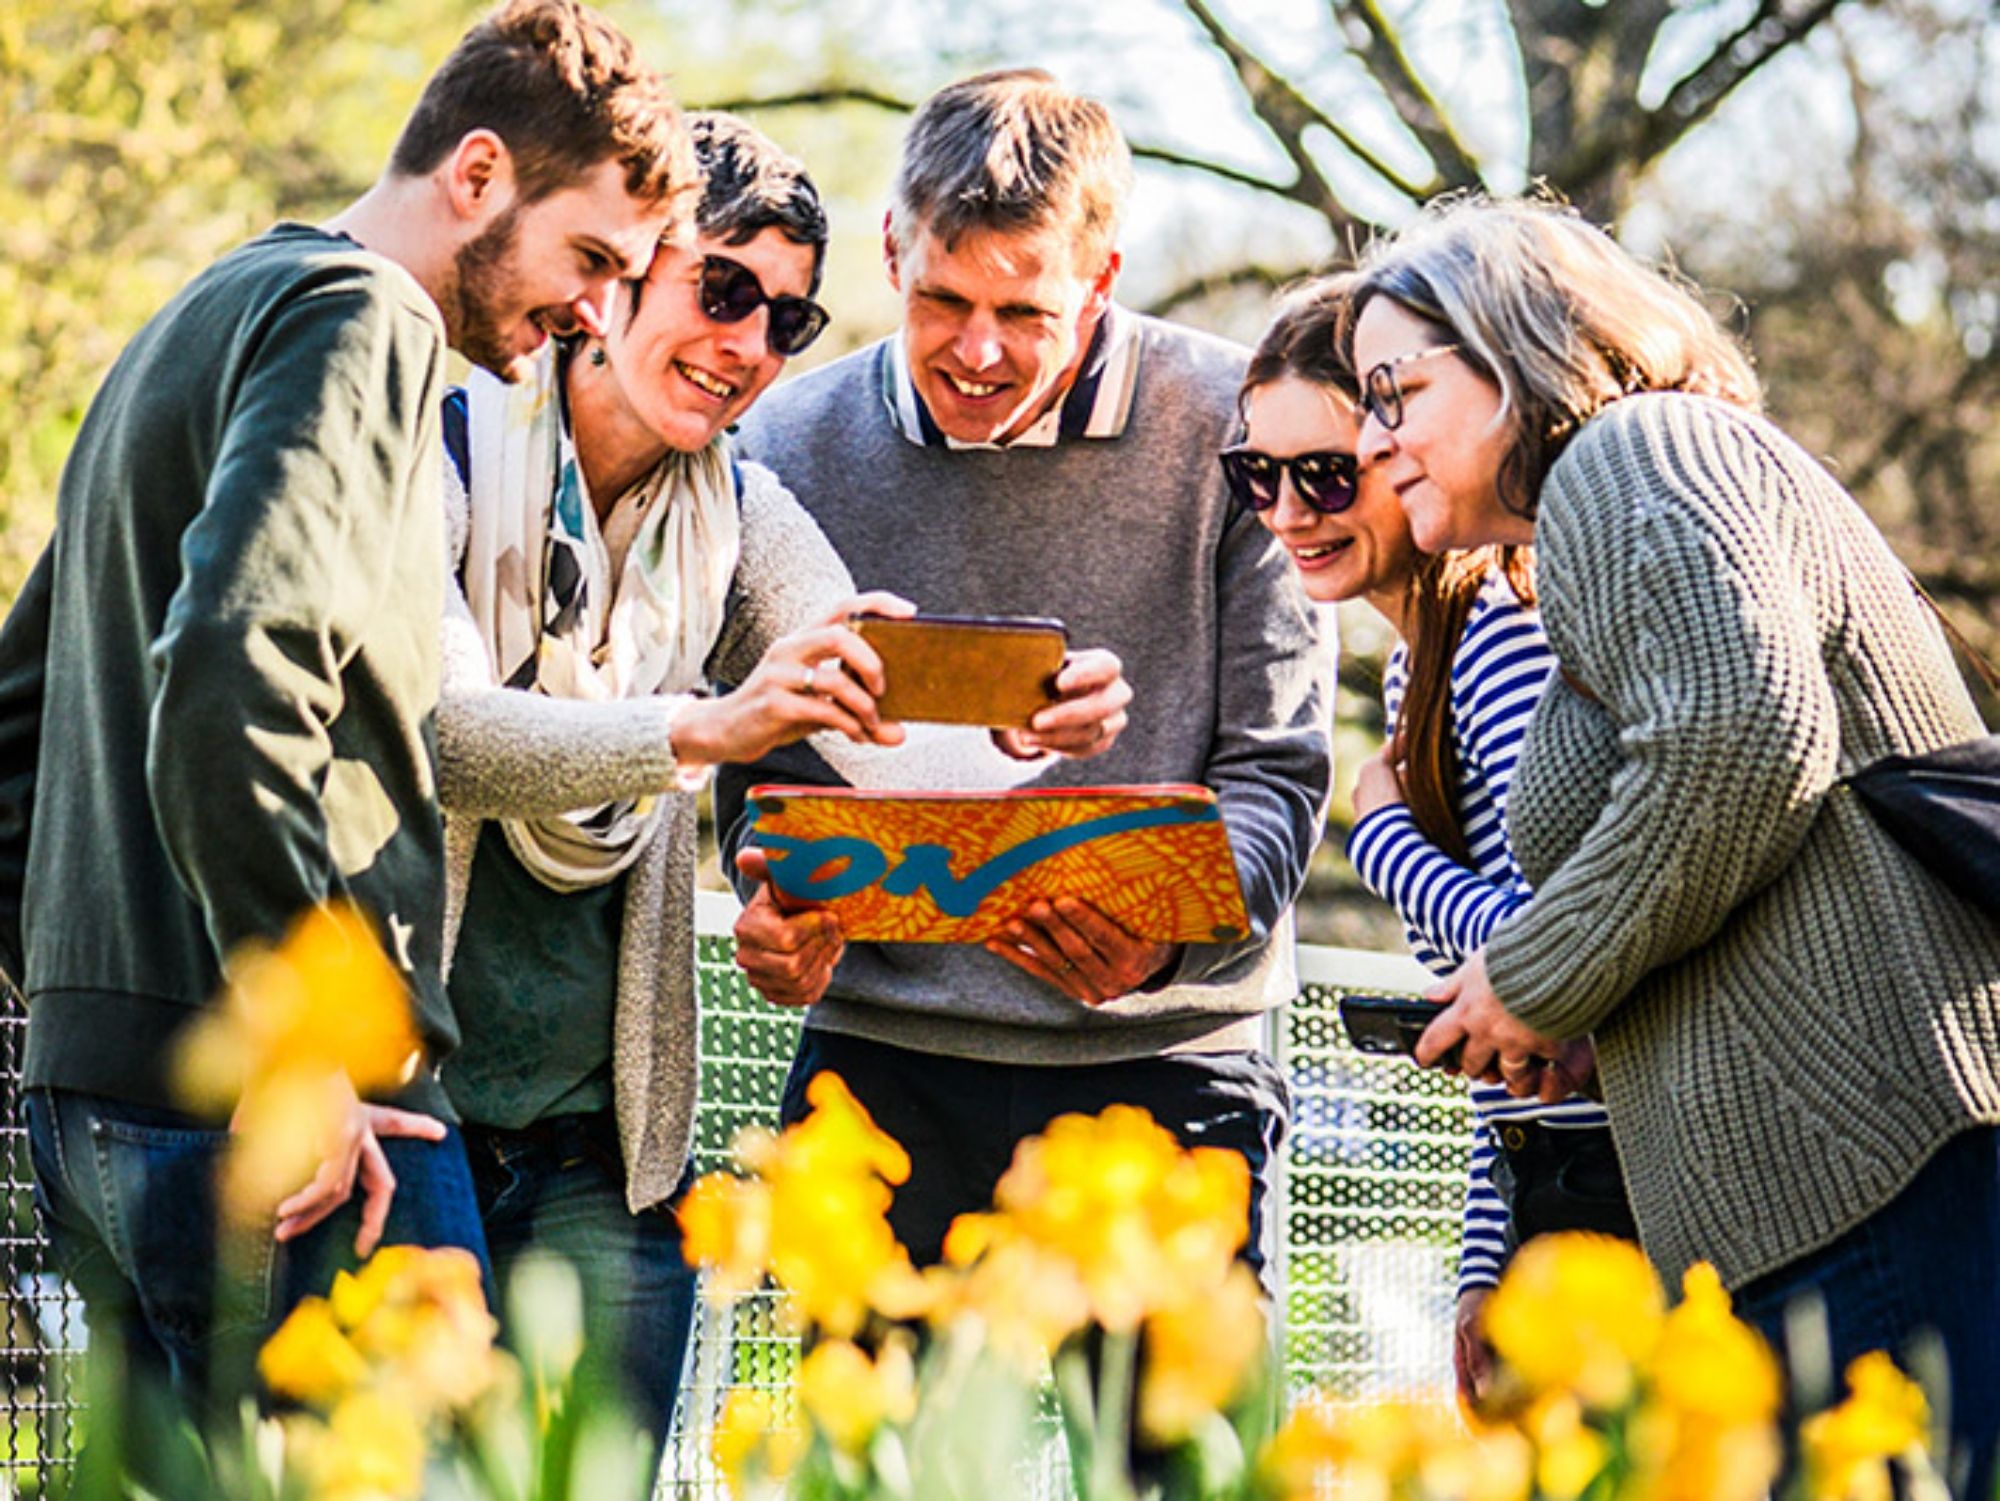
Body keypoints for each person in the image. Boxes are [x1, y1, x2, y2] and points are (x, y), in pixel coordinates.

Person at [0, 0, 690, 1421]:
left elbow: (16, 721)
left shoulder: (195, 318)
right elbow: (241, 657)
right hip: (306, 1125)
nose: (596, 315)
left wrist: (83, 1013)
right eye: (593, 259)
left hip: (100, 1110)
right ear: (480, 174)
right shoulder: (362, 318)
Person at [435, 111, 1103, 1464]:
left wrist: (1026, 739)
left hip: (601, 1146)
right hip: (411, 1104)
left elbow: (884, 727)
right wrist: (712, 725)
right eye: (722, 288)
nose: (747, 344)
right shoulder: (440, 436)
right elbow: (448, 735)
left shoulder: (738, 508)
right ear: (614, 274)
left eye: (787, 321)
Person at [1345, 196, 2000, 1489]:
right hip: (1811, 1207)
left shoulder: (1637, 454)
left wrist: (1533, 977)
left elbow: (1745, 734)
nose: (1374, 438)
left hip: (1875, 1174)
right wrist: (1587, 1028)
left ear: (1509, 348)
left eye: (1394, 390)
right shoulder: (1592, 520)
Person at [715, 70, 1335, 1279]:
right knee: (868, 1466)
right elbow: (765, 767)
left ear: (1100, 279)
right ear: (892, 248)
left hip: (1166, 1065)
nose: (978, 349)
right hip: (880, 1065)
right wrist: (773, 908)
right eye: (941, 298)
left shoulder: (1238, 429)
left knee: (1179, 1471)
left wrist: (1164, 950)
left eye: (1025, 311)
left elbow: (1277, 769)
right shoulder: (780, 444)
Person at [1234, 276, 1634, 1408]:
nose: (1284, 512)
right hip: (1551, 1179)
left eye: (1321, 472)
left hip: (1623, 1190)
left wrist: (1389, 844)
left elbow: (1550, 961)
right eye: (1252, 475)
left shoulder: (1497, 641)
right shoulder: (1424, 662)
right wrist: (1477, 1269)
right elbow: (1502, 1025)